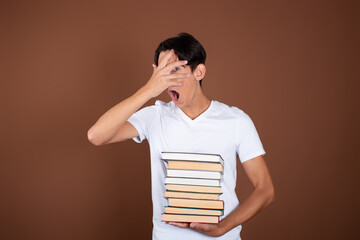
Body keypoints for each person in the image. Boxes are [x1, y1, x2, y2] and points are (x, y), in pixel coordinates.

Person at [87, 32, 275, 239]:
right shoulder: (154, 116)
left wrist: (222, 228)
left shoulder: (237, 121)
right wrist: (149, 90)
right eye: (162, 72)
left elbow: (265, 189)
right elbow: (97, 135)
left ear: (199, 72)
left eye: (174, 69)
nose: (167, 80)